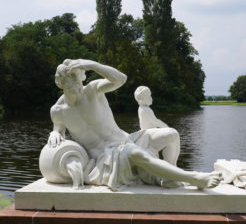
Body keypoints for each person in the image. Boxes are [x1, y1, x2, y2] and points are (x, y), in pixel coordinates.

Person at [48, 59, 221, 190]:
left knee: (171, 134)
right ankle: (195, 178)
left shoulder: (92, 90)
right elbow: (58, 131)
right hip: (105, 158)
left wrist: (93, 64)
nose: (77, 87)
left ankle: (170, 176)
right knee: (135, 153)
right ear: (61, 83)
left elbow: (120, 79)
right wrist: (55, 133)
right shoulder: (58, 111)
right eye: (71, 83)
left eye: (78, 81)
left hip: (128, 139)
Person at [134, 86, 179, 166]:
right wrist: (167, 127)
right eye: (149, 96)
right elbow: (155, 121)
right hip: (148, 133)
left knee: (172, 138)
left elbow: (155, 121)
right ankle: (171, 164)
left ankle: (172, 164)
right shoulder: (144, 109)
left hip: (151, 132)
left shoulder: (144, 108)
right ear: (142, 99)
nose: (151, 98)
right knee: (172, 135)